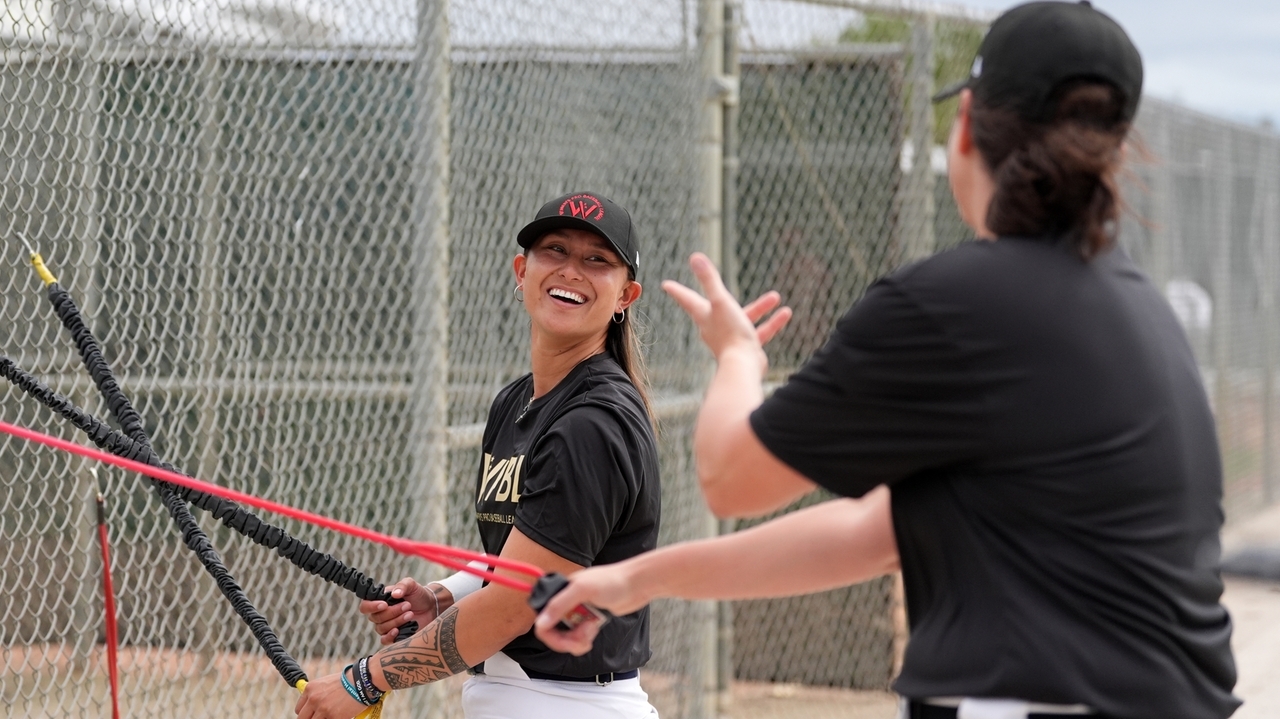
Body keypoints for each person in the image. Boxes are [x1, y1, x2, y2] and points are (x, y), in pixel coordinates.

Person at [534, 4, 1240, 719]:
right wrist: (634, 579)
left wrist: (738, 357)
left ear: (966, 123)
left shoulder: (959, 302)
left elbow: (729, 475)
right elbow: (874, 534)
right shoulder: (1138, 311)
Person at [295, 191, 662, 719]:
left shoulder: (591, 424)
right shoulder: (516, 401)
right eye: (554, 250)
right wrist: (443, 596)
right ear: (521, 270)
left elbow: (516, 602)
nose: (571, 271)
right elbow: (526, 551)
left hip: (566, 703)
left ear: (626, 294)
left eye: (596, 260)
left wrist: (363, 680)